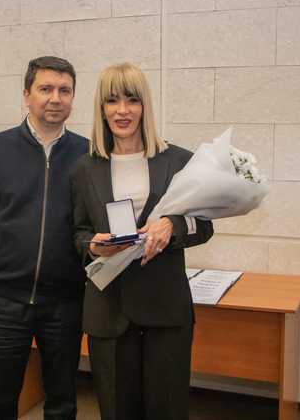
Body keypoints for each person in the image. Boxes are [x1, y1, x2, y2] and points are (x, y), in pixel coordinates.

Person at [70, 63, 214, 420]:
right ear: (101, 108)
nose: (122, 110)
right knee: (117, 411)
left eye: (132, 100)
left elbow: (205, 226)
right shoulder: (83, 168)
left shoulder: (179, 160)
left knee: (168, 410)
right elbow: (77, 234)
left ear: (144, 105)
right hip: (108, 309)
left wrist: (172, 225)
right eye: (112, 101)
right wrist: (94, 246)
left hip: (165, 307)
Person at [0, 56, 89, 420]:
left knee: (63, 403)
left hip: (65, 303)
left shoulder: (89, 155)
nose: (55, 98)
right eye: (46, 89)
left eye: (65, 90)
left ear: (73, 97)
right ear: (27, 95)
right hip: (3, 303)